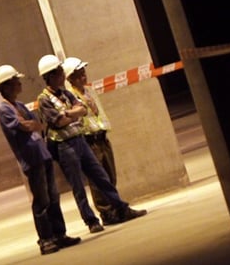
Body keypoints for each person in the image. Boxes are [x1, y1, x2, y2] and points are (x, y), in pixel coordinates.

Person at [36, 54, 147, 232]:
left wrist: (69, 113)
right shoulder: (44, 99)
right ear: (50, 75)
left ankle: (121, 208)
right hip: (65, 146)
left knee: (102, 178)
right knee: (78, 187)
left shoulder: (65, 93)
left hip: (79, 140)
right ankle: (91, 221)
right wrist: (73, 114)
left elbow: (82, 109)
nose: (62, 75)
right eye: (59, 72)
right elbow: (58, 121)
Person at [0, 64, 80, 255]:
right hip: (31, 159)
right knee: (41, 200)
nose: (19, 84)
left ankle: (59, 234)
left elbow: (37, 124)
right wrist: (30, 124)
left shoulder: (19, 106)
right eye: (16, 81)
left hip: (43, 154)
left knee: (53, 197)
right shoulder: (3, 109)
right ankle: (46, 239)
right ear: (6, 85)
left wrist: (31, 124)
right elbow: (26, 126)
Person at [64, 56, 121, 225]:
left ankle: (116, 208)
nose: (84, 76)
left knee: (110, 175)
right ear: (71, 78)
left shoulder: (89, 91)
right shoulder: (70, 96)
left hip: (102, 136)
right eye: (79, 74)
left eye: (83, 72)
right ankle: (106, 212)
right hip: (89, 140)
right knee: (98, 179)